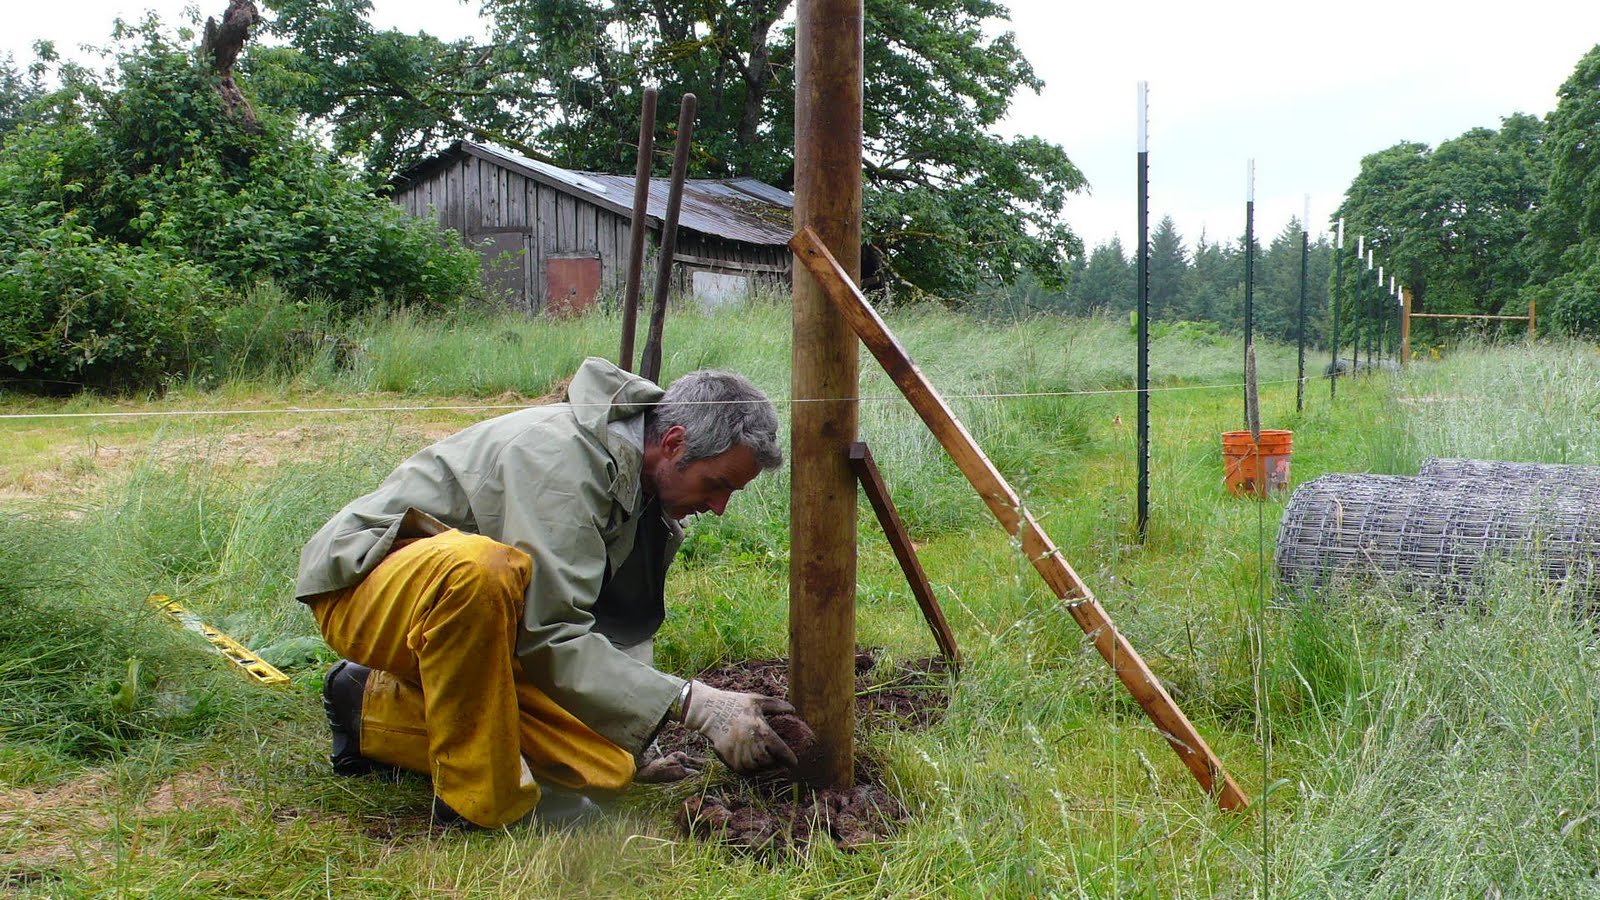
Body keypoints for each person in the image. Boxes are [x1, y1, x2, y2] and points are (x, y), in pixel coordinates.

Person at [296, 356, 800, 829]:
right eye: (717, 485)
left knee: (608, 765)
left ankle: (367, 705)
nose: (718, 507)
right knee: (480, 569)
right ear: (672, 442)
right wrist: (696, 704)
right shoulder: (561, 461)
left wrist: (635, 735)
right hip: (369, 586)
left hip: (477, 625)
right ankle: (482, 800)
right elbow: (551, 633)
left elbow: (615, 628)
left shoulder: (645, 493)